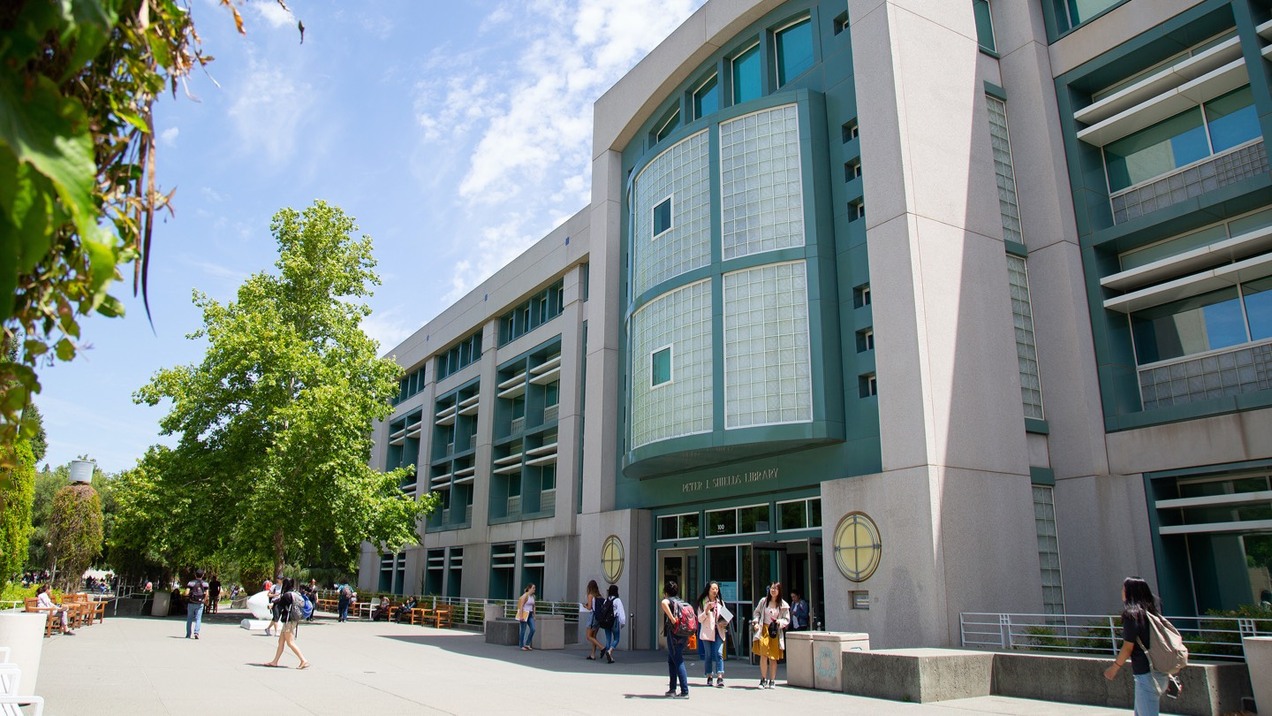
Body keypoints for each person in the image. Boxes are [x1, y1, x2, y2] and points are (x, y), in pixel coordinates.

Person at [1103, 576, 1169, 715]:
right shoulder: (1152, 614)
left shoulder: (1132, 615)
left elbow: (1128, 647)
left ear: (1130, 592)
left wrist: (1114, 668)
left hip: (1146, 675)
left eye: (1124, 588)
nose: (1122, 591)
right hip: (1160, 673)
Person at [263, 578, 310, 670]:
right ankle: (275, 661)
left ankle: (303, 660)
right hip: (292, 619)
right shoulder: (295, 593)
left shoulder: (287, 595)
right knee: (281, 641)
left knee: (290, 642)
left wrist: (272, 605)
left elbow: (280, 603)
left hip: (289, 620)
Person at [752, 581, 789, 689]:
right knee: (763, 655)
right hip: (764, 630)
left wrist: (779, 622)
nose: (773, 590)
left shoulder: (783, 604)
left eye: (775, 589)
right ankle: (763, 679)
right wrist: (756, 622)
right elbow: (757, 612)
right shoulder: (763, 601)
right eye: (771, 588)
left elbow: (787, 619)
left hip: (774, 631)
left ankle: (772, 680)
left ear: (779, 591)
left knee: (773, 657)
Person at [660, 579, 690, 698]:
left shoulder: (670, 600)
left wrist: (672, 618)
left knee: (678, 660)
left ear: (666, 592)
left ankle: (684, 690)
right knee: (671, 660)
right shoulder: (681, 601)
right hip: (684, 633)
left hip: (674, 634)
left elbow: (663, 603)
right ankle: (672, 688)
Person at [696, 581, 729, 687]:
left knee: (719, 653)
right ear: (708, 590)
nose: (715, 591)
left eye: (717, 589)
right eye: (713, 589)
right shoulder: (703, 602)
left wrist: (725, 621)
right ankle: (709, 675)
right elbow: (699, 619)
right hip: (707, 632)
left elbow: (726, 617)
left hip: (719, 631)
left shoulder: (721, 602)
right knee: (708, 655)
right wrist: (706, 610)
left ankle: (720, 676)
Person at [601, 583, 626, 664]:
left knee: (608, 639)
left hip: (606, 622)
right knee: (616, 639)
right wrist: (622, 623)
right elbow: (621, 612)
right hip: (614, 621)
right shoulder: (617, 600)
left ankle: (609, 654)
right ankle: (610, 651)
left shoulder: (606, 600)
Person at [583, 579, 604, 660]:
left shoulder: (590, 595)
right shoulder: (599, 595)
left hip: (593, 617)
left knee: (588, 636)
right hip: (598, 617)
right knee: (594, 636)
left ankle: (602, 647)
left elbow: (589, 608)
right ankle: (592, 654)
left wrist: (585, 606)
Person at [186, 569, 208, 639]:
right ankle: (196, 633)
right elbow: (207, 594)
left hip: (191, 602)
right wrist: (204, 601)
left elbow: (186, 593)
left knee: (189, 619)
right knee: (198, 619)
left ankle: (188, 634)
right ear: (203, 575)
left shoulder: (190, 583)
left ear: (195, 575)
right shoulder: (205, 584)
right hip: (200, 603)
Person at [516, 583, 537, 651]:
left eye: (534, 588)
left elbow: (534, 606)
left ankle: (527, 644)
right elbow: (521, 606)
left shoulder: (533, 596)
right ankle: (522, 645)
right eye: (533, 588)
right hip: (524, 614)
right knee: (523, 630)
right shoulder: (525, 596)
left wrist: (534, 615)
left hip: (530, 614)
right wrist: (521, 616)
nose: (534, 589)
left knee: (533, 629)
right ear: (529, 588)